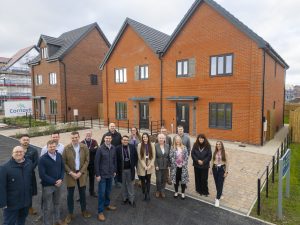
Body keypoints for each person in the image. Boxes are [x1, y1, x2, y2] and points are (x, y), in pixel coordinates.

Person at [62, 131, 91, 223]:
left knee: (82, 194)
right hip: (71, 175)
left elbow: (87, 161)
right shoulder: (66, 148)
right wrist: (71, 172)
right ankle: (70, 213)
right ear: (71, 138)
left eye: (76, 137)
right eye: (73, 138)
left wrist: (80, 172)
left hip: (81, 174)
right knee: (70, 195)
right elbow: (63, 162)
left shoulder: (84, 147)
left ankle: (84, 211)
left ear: (79, 137)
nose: (74, 139)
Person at [0, 146, 33, 225]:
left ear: (24, 153)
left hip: (25, 201)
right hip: (11, 204)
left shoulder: (29, 163)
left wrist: (31, 194)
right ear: (12, 154)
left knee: (21, 220)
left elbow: (31, 180)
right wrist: (3, 203)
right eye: (16, 152)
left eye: (21, 152)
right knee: (8, 222)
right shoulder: (4, 167)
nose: (19, 153)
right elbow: (1, 187)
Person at [38, 140, 65, 225]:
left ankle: (57, 220)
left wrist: (61, 179)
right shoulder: (42, 159)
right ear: (47, 147)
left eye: (54, 146)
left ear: (56, 147)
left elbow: (62, 168)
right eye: (50, 147)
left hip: (58, 185)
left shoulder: (59, 156)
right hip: (48, 186)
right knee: (47, 207)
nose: (52, 148)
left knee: (57, 203)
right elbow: (42, 175)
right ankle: (47, 223)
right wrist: (54, 182)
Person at [95, 133, 117, 222]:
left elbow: (114, 160)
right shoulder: (100, 149)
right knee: (101, 193)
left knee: (108, 191)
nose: (108, 139)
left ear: (111, 139)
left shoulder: (113, 148)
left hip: (110, 174)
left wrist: (115, 170)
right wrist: (97, 175)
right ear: (104, 139)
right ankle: (100, 212)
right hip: (102, 175)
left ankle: (107, 205)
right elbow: (96, 162)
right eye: (106, 138)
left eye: (109, 138)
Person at [116, 135, 138, 207]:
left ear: (128, 141)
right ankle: (125, 199)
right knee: (123, 185)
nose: (125, 141)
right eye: (124, 140)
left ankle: (131, 200)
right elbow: (116, 160)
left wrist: (134, 165)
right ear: (121, 140)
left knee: (130, 185)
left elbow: (135, 157)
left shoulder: (132, 147)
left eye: (127, 140)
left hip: (130, 170)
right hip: (121, 170)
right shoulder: (118, 148)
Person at [20, 134, 39, 215]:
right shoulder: (17, 150)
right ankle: (21, 206)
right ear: (20, 141)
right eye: (24, 140)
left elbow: (36, 162)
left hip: (30, 175)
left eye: (27, 140)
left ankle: (30, 207)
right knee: (19, 190)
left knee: (30, 191)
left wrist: (28, 170)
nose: (26, 141)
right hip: (18, 175)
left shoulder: (34, 151)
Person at [101, 123, 122, 187]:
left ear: (115, 127)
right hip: (108, 154)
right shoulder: (105, 135)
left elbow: (121, 144)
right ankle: (109, 181)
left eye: (113, 126)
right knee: (109, 167)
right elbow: (101, 145)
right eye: (111, 126)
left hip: (117, 154)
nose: (112, 127)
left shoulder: (119, 135)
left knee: (116, 167)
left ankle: (116, 181)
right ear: (109, 127)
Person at [137, 133, 155, 201]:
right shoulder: (139, 145)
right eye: (143, 137)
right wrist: (145, 166)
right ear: (142, 138)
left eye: (146, 137)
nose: (145, 138)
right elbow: (140, 157)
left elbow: (154, 156)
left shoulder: (152, 145)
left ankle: (147, 194)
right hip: (142, 166)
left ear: (148, 138)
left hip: (150, 165)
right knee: (142, 181)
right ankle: (144, 192)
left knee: (148, 180)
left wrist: (150, 165)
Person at [170, 135, 189, 200]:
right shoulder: (172, 148)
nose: (177, 141)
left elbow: (186, 157)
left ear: (180, 140)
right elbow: (171, 157)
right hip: (175, 167)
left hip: (183, 167)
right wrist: (175, 163)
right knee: (176, 180)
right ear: (175, 141)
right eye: (176, 140)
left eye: (178, 140)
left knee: (183, 180)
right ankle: (176, 192)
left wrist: (183, 163)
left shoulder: (184, 147)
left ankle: (183, 193)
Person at [81, 130, 99, 197]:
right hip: (84, 164)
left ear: (91, 135)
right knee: (83, 179)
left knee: (92, 178)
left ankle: (92, 192)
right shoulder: (82, 142)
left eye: (89, 134)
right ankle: (82, 194)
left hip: (92, 163)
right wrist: (92, 149)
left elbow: (97, 149)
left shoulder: (94, 141)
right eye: (87, 134)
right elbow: (81, 152)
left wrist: (87, 150)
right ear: (85, 135)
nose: (88, 135)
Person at [211, 141, 229, 207]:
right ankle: (220, 193)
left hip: (222, 169)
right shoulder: (215, 152)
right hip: (215, 169)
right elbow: (212, 161)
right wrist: (210, 170)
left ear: (222, 145)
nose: (218, 145)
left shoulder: (225, 153)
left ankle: (217, 199)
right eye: (217, 144)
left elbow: (227, 163)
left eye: (219, 144)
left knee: (220, 183)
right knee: (216, 183)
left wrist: (226, 172)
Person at [155, 133, 170, 198]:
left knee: (164, 179)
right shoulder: (155, 146)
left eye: (162, 138)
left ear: (164, 139)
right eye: (160, 138)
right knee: (158, 179)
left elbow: (169, 156)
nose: (161, 139)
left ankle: (162, 190)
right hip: (158, 165)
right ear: (158, 139)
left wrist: (169, 164)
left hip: (166, 165)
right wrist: (156, 165)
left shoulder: (167, 146)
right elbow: (154, 157)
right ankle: (158, 190)